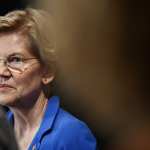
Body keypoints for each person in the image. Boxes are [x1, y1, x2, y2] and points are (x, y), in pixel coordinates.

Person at [0, 8, 97, 150]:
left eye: (16, 59)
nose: (2, 72)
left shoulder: (71, 134)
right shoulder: (2, 131)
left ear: (48, 72)